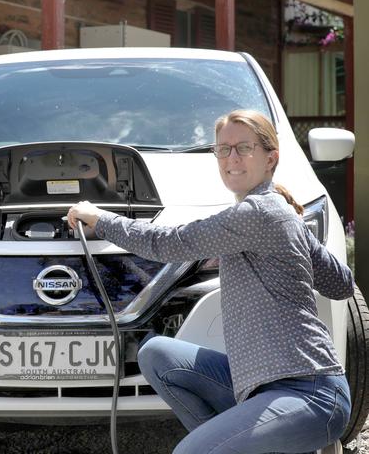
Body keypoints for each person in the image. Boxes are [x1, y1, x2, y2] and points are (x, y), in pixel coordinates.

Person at [67, 109, 354, 454]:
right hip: (262, 389)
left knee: (190, 452)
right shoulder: (278, 212)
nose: (231, 157)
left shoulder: (261, 212)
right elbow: (342, 284)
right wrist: (299, 235)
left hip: (311, 393)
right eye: (223, 149)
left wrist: (100, 219)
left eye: (243, 148)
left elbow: (166, 243)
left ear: (270, 158)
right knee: (157, 353)